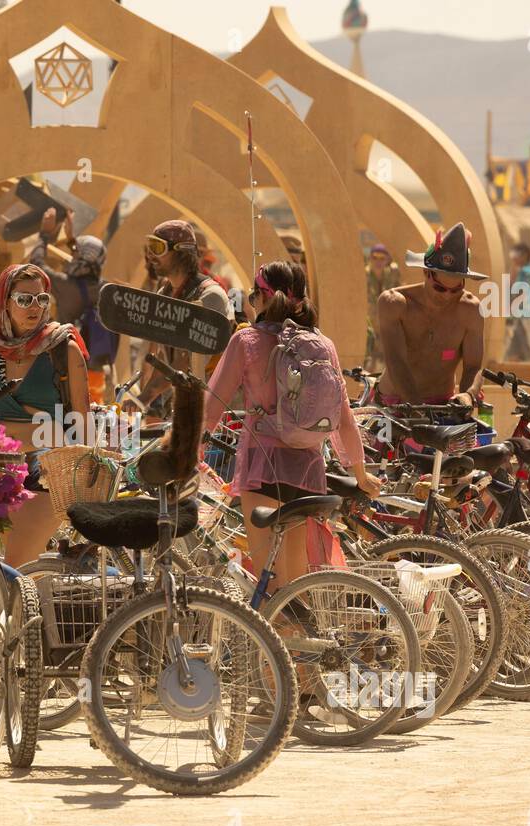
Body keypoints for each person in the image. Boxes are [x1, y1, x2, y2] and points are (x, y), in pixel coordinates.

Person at [203, 260, 380, 587]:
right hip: (308, 472)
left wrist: (188, 457)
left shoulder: (247, 342)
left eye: (255, 296)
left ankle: (278, 636)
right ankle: (299, 636)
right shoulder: (323, 344)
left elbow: (210, 410)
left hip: (264, 468)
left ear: (265, 297)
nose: (253, 304)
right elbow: (343, 415)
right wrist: (359, 473)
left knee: (269, 584)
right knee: (294, 585)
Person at [0, 263, 89, 567]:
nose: (34, 307)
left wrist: (85, 480)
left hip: (47, 469)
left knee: (17, 563)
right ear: (5, 302)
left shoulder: (63, 348)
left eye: (41, 299)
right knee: (10, 571)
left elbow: (82, 422)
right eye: (24, 299)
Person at [377, 222, 486, 408]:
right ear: (426, 272)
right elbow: (396, 361)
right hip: (394, 403)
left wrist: (468, 395)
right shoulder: (395, 304)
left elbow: (473, 367)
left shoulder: (470, 310)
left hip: (443, 405)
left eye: (456, 289)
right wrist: (417, 409)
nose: (447, 295)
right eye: (440, 288)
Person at [133, 219, 233, 411]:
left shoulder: (210, 297)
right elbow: (165, 359)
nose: (151, 255)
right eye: (150, 247)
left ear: (181, 252)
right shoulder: (164, 295)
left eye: (158, 247)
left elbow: (186, 362)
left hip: (217, 412)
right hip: (184, 405)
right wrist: (143, 400)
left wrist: (145, 396)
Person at [30, 208, 111, 402]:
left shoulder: (65, 285)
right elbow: (86, 256)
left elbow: (36, 263)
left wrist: (44, 235)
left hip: (67, 368)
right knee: (92, 423)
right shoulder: (107, 289)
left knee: (64, 422)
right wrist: (72, 241)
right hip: (97, 373)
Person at [364, 243, 399, 370]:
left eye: (382, 258)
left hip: (387, 322)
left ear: (387, 259)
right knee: (368, 360)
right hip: (369, 323)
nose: (378, 261)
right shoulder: (364, 275)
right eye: (375, 257)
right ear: (370, 259)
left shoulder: (392, 273)